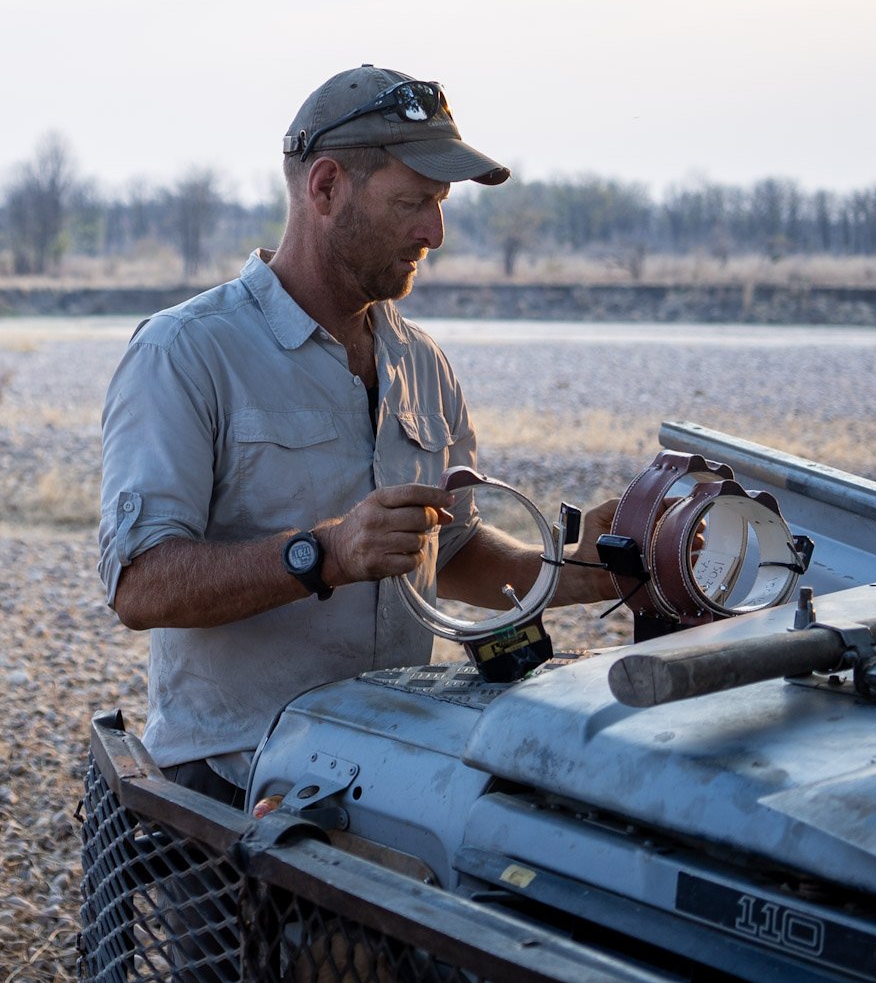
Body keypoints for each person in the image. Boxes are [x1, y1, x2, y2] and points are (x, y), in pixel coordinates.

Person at [98, 65, 621, 808]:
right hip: (228, 786)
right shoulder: (184, 352)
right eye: (413, 202)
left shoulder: (422, 363)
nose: (434, 232)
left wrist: (577, 570)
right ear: (325, 188)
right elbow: (140, 584)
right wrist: (328, 553)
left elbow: (453, 552)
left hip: (391, 771)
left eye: (439, 205)